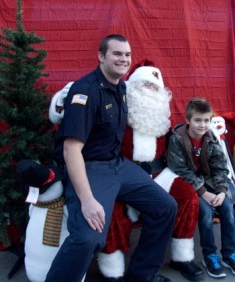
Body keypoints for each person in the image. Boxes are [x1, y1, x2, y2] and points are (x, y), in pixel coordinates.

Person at [49, 61, 204, 282]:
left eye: (154, 87)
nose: (149, 92)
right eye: (144, 85)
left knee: (174, 203)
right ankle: (113, 273)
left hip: (154, 171)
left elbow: (181, 142)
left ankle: (148, 273)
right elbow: (68, 128)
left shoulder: (161, 115)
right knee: (95, 227)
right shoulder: (109, 94)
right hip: (109, 167)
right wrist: (65, 99)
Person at [167, 97, 235, 278]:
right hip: (191, 185)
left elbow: (221, 167)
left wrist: (221, 191)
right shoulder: (177, 140)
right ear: (188, 120)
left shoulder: (211, 138)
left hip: (212, 182)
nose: (202, 125)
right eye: (198, 120)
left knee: (227, 208)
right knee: (205, 212)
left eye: (206, 120)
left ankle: (229, 254)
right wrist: (203, 193)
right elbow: (180, 170)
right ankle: (210, 255)